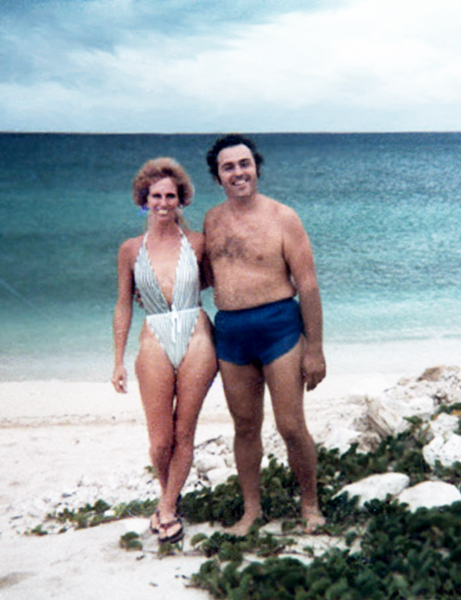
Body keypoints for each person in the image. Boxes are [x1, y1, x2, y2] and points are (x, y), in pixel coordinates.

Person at [204, 134, 326, 535]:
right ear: (217, 177)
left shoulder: (283, 217)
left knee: (290, 425)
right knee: (244, 427)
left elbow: (307, 285)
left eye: (244, 164)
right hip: (232, 332)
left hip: (279, 327)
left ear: (256, 167)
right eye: (228, 167)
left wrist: (315, 350)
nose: (238, 172)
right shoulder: (211, 220)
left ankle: (310, 505)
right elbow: (207, 275)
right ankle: (251, 511)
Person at [112, 157, 217, 544]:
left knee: (184, 432)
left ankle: (168, 509)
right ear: (144, 199)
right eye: (155, 195)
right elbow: (123, 303)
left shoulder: (198, 242)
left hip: (197, 335)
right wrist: (117, 360)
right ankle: (168, 495)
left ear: (181, 200)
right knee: (160, 440)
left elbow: (216, 282)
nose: (163, 202)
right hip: (153, 335)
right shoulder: (129, 250)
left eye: (171, 195)